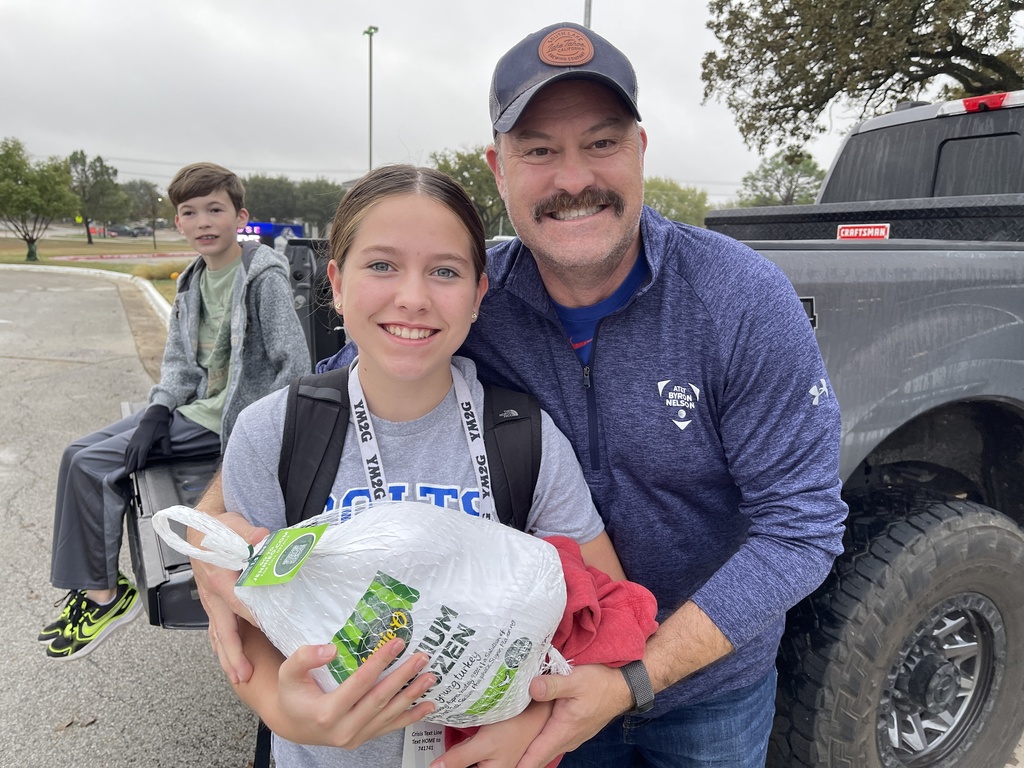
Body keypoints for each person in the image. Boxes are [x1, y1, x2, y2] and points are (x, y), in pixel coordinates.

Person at [194, 22, 847, 768]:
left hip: (706, 691)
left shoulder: (740, 300)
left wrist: (632, 678)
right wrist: (213, 533)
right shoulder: (470, 295)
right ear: (498, 169)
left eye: (601, 143)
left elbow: (802, 529)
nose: (572, 178)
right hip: (534, 688)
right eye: (538, 150)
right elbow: (325, 399)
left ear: (640, 148)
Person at [216, 164, 628, 768]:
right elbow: (248, 617)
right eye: (382, 265)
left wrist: (536, 718)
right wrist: (285, 713)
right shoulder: (273, 433)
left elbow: (606, 605)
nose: (413, 297)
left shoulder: (524, 437)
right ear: (337, 283)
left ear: (478, 295)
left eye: (445, 271)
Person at [40, 161, 310, 660]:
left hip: (229, 421)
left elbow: (293, 364)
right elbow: (180, 364)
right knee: (76, 451)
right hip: (194, 410)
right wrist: (158, 412)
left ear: (240, 217)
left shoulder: (261, 276)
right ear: (178, 223)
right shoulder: (190, 281)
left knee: (94, 465)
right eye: (190, 212)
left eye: (215, 209)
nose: (203, 221)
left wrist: (260, 434)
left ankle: (105, 598)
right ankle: (90, 588)